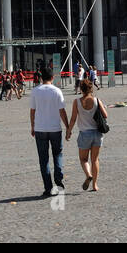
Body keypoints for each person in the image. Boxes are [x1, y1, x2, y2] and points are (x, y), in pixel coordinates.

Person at [30, 66, 69, 197]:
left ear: (41, 78)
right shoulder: (57, 91)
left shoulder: (35, 91)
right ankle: (58, 181)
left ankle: (48, 188)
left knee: (43, 159)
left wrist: (32, 126)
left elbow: (32, 111)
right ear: (52, 78)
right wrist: (68, 126)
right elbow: (62, 111)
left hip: (40, 128)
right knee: (57, 155)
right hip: (55, 128)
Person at [66, 78, 108, 191]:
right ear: (91, 88)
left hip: (84, 134)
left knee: (83, 159)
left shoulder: (77, 102)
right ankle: (95, 185)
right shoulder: (97, 100)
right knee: (95, 160)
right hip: (97, 134)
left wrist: (68, 131)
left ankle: (88, 174)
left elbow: (73, 119)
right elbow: (105, 115)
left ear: (81, 89)